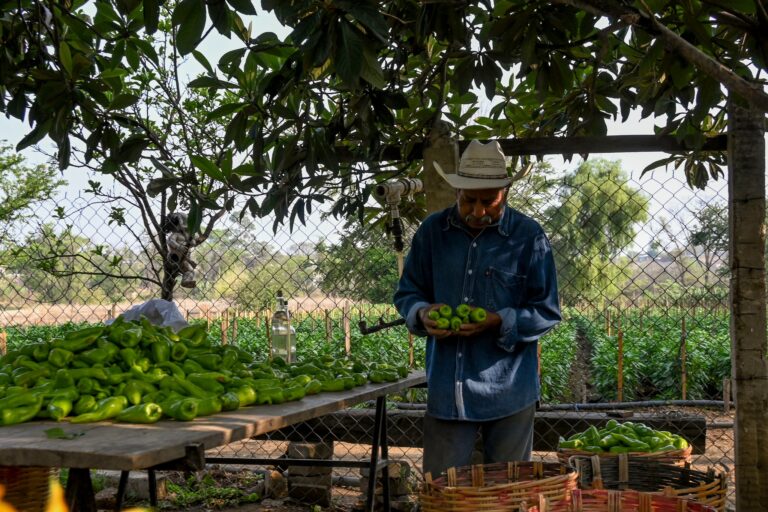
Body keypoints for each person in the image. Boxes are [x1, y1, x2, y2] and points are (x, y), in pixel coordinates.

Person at [393, 140, 561, 477]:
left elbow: (547, 311)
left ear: (506, 192)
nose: (478, 211)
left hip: (510, 391)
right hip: (447, 389)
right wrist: (423, 314)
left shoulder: (528, 237)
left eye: (490, 202)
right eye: (469, 201)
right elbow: (408, 293)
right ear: (457, 192)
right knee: (442, 490)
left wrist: (498, 321)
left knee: (508, 492)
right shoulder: (432, 233)